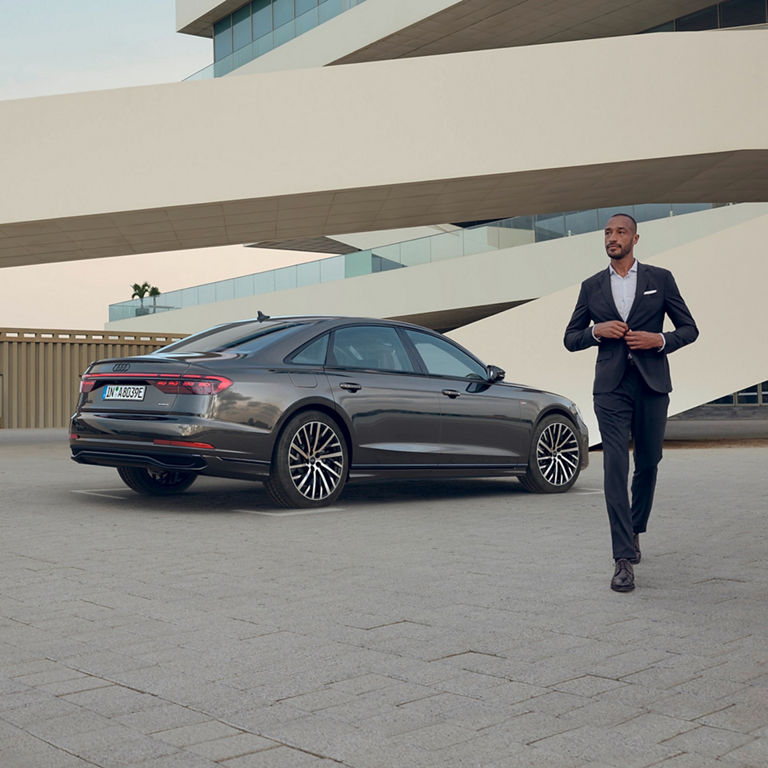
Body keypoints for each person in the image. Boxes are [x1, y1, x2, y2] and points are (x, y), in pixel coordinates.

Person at [564, 213, 698, 592]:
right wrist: (595, 331)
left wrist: (659, 340)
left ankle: (636, 528)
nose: (613, 237)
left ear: (635, 238)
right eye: (607, 232)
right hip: (610, 387)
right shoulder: (591, 286)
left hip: (652, 384)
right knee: (614, 467)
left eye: (620, 231)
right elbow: (570, 337)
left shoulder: (660, 279)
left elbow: (690, 328)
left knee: (649, 462)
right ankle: (623, 557)